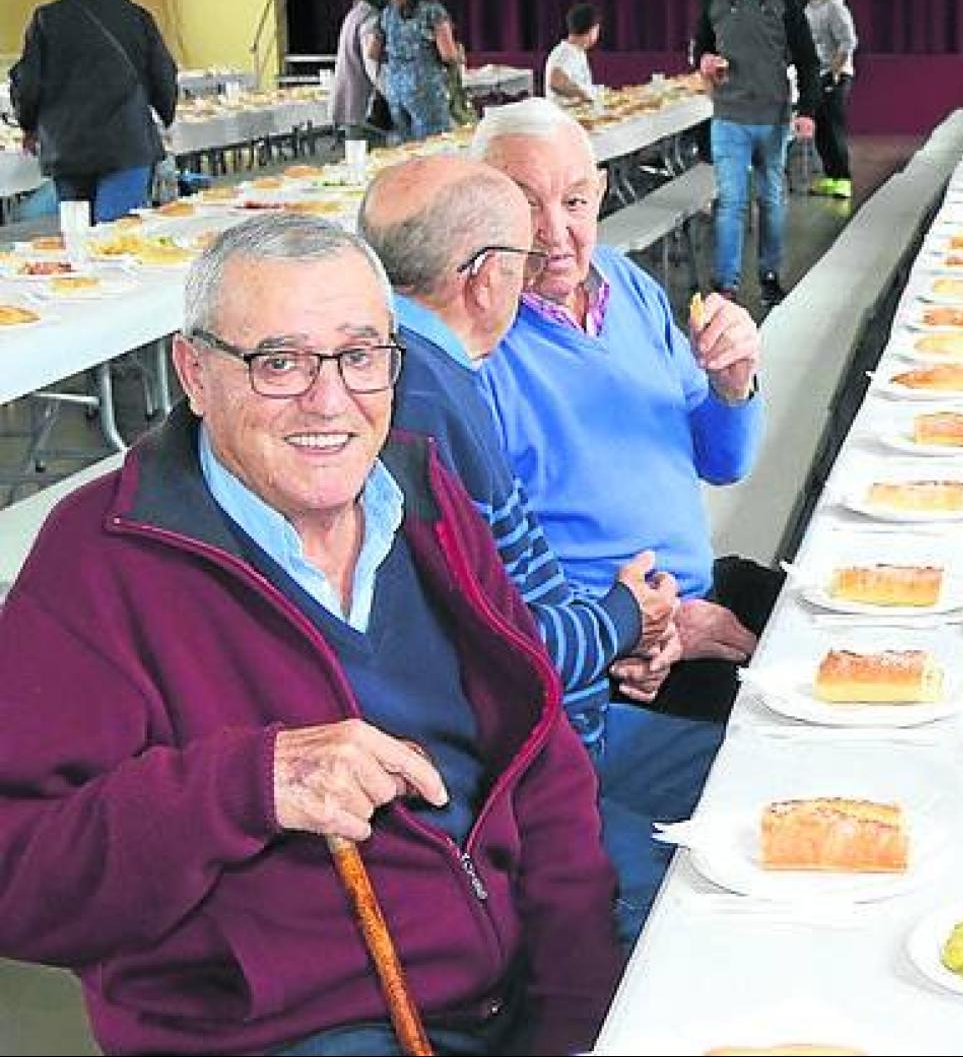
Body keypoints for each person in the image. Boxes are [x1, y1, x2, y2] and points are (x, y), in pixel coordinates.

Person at [0, 213, 620, 1055]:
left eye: (360, 356)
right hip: (298, 1029)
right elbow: (17, 876)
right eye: (278, 362)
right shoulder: (103, 559)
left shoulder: (419, 490)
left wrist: (580, 1010)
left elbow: (540, 759)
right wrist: (244, 786)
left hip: (508, 984)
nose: (330, 402)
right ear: (194, 373)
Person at [360, 155, 719, 945]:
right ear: (488, 278)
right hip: (517, 765)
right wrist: (623, 619)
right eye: (524, 254)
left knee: (751, 763)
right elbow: (494, 644)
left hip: (564, 709)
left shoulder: (418, 371)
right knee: (701, 888)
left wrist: (622, 630)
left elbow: (515, 589)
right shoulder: (429, 405)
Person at [472, 99, 770, 724]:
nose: (555, 233)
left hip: (693, 595)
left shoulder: (625, 285)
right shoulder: (478, 346)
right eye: (526, 205)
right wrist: (642, 626)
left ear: (602, 193)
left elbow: (722, 462)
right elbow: (494, 576)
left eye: (575, 202)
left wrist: (733, 385)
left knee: (861, 621)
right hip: (610, 652)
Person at [692, 0, 822, 306]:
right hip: (728, 117)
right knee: (730, 202)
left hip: (772, 119)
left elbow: (808, 60)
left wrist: (807, 110)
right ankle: (726, 285)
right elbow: (700, 46)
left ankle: (769, 276)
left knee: (771, 200)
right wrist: (704, 60)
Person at [9, 0, 177, 223]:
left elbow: (28, 82)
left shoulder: (47, 18)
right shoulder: (136, 16)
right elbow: (163, 73)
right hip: (127, 142)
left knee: (78, 233)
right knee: (117, 235)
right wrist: (165, 113)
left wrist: (28, 126)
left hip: (68, 147)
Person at [369, 0, 464, 142]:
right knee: (433, 143)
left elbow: (373, 53)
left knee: (405, 144)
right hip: (426, 88)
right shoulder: (433, 12)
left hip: (395, 88)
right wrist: (459, 55)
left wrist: (399, 57)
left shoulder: (387, 13)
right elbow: (448, 55)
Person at [793, 0, 858, 201]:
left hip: (836, 76)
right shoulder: (808, 9)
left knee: (833, 127)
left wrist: (834, 73)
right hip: (816, 76)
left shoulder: (834, 7)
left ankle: (843, 180)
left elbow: (848, 41)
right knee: (819, 128)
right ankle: (831, 178)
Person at [330, 0, 389, 139]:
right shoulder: (371, 19)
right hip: (362, 106)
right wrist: (393, 94)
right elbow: (372, 64)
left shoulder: (355, 13)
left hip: (349, 102)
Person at [545, 2, 603, 105]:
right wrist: (586, 96)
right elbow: (556, 82)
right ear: (592, 30)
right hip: (565, 113)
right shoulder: (566, 53)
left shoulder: (575, 51)